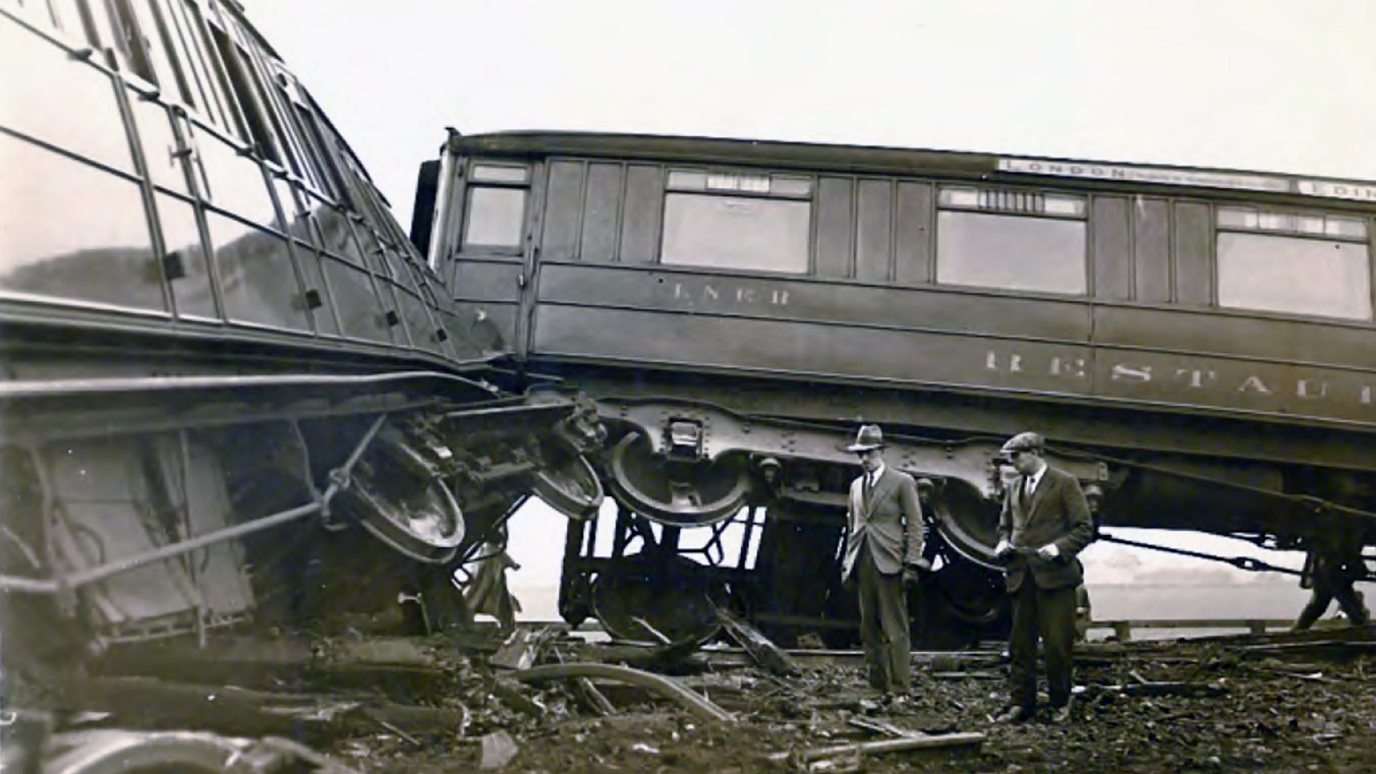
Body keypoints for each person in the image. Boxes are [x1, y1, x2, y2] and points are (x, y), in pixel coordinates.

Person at [993, 432, 1095, 724]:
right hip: (1021, 576)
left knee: (1056, 645)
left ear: (1036, 453)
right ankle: (1020, 703)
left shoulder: (1065, 483)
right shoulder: (1013, 488)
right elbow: (1004, 526)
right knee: (1020, 645)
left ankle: (1060, 703)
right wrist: (1002, 542)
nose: (1012, 462)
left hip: (1055, 578)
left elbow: (1084, 528)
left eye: (1017, 456)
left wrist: (1058, 548)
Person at [840, 424, 930, 701]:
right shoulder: (856, 486)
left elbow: (915, 525)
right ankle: (877, 685)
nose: (864, 459)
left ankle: (900, 688)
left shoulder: (902, 482)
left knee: (895, 629)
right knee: (869, 628)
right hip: (862, 561)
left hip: (889, 562)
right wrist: (847, 562)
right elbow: (853, 525)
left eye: (868, 453)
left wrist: (912, 563)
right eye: (860, 454)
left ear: (880, 451)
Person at [1292, 534, 1369, 631]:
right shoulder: (1340, 538)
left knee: (1318, 605)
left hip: (1330, 573)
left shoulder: (1335, 541)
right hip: (1332, 574)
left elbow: (1352, 556)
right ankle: (1363, 630)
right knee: (1351, 607)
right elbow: (1350, 555)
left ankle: (1297, 630)